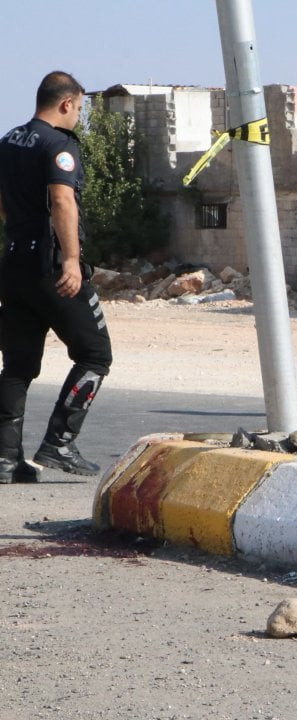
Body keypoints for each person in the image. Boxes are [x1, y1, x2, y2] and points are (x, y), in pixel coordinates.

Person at [0, 71, 113, 481]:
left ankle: (6, 459)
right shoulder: (59, 144)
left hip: (13, 263)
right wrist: (70, 260)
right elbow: (63, 200)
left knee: (17, 364)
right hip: (50, 265)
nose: (79, 118)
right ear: (65, 104)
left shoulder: (9, 141)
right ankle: (59, 443)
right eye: (80, 109)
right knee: (95, 354)